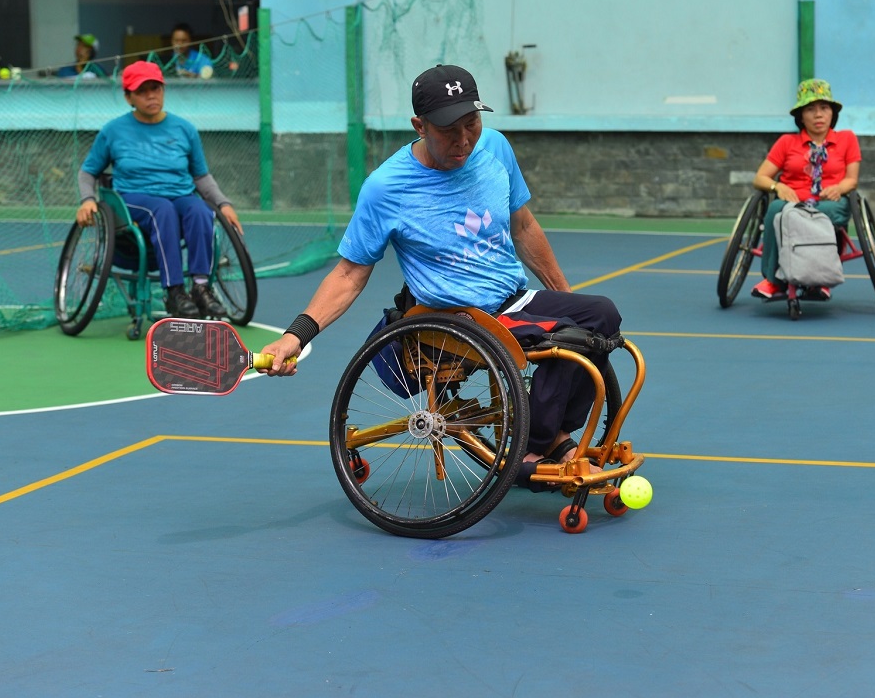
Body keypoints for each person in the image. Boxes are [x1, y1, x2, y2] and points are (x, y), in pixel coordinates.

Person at [258, 63, 620, 488]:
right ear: (419, 125)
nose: (464, 139)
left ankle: (549, 435)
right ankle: (530, 443)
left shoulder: (495, 148)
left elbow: (523, 226)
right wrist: (295, 335)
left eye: (472, 124)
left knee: (600, 316)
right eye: (450, 130)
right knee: (573, 334)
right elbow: (349, 273)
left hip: (512, 300)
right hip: (456, 317)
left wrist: (566, 299)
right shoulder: (387, 188)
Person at [75, 61, 242, 319]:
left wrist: (223, 204)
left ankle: (200, 288)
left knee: (200, 211)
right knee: (161, 210)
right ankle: (174, 291)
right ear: (128, 97)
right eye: (142, 91)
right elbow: (88, 172)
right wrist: (87, 200)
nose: (151, 95)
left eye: (156, 88)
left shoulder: (184, 129)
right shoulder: (114, 130)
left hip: (180, 195)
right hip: (133, 200)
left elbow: (201, 176)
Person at [749, 79, 862, 300]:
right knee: (775, 211)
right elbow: (760, 177)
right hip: (793, 200)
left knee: (823, 214)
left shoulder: (847, 139)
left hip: (830, 200)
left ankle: (821, 279)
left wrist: (839, 187)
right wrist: (777, 185)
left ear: (832, 113)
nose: (818, 115)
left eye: (824, 108)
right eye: (810, 109)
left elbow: (852, 180)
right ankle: (773, 281)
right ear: (801, 116)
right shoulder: (786, 142)